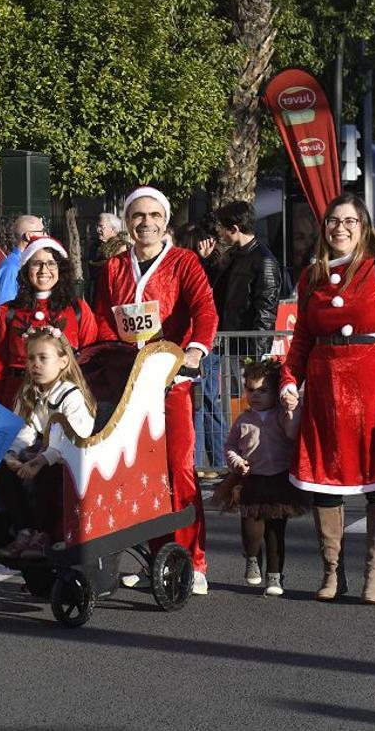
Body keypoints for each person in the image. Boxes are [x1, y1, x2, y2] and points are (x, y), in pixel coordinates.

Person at [280, 194, 375, 605]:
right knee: (325, 483)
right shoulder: (311, 276)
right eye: (333, 221)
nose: (339, 228)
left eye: (349, 221)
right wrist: (289, 380)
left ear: (363, 227)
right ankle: (332, 572)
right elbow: (302, 338)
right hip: (326, 394)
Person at [94, 186, 217, 595]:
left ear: (165, 221)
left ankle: (193, 561)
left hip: (170, 383)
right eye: (137, 215)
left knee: (179, 469)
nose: (146, 223)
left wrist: (195, 350)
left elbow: (205, 310)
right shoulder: (113, 267)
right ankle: (158, 560)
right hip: (128, 385)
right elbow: (102, 320)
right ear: (127, 221)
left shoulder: (184, 262)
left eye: (154, 216)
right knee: (142, 473)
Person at [0, 326, 96, 558]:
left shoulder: (71, 395)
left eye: (43, 358)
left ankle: (44, 534)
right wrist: (12, 454)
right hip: (43, 453)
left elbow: (73, 439)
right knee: (0, 467)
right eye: (31, 358)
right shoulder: (29, 393)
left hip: (71, 461)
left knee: (47, 475)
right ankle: (20, 530)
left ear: (63, 362)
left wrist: (41, 461)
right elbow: (25, 431)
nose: (35, 364)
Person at [219, 359, 305, 597]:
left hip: (279, 480)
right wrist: (237, 462)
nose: (255, 395)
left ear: (276, 392)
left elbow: (292, 433)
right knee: (251, 526)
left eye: (263, 390)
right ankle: (252, 556)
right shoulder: (243, 419)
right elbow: (230, 446)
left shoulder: (281, 415)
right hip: (252, 479)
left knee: (275, 532)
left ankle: (275, 576)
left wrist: (291, 408)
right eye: (250, 389)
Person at [0, 235, 98, 410]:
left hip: (64, 402)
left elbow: (91, 361)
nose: (44, 270)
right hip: (17, 402)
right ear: (26, 268)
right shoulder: (7, 312)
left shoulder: (78, 309)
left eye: (51, 263)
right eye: (37, 263)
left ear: (61, 268)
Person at [173, 218, 228, 481]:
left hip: (200, 346)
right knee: (204, 403)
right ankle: (206, 461)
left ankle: (211, 461)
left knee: (202, 404)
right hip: (201, 345)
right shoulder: (207, 265)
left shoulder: (203, 268)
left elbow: (204, 301)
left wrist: (203, 263)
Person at [212, 200, 282, 358]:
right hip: (229, 345)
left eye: (222, 227)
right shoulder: (233, 255)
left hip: (246, 350)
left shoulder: (264, 260)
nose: (220, 232)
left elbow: (266, 313)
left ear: (234, 229)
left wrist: (257, 357)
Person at [0, 215, 45, 316]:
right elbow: (5, 311)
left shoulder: (23, 264)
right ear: (29, 236)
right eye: (42, 232)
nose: (46, 236)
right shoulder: (12, 268)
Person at [86, 213, 130, 300]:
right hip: (95, 290)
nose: (98, 230)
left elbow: (118, 270)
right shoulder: (95, 246)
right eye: (97, 226)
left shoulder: (122, 246)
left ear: (113, 229)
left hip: (112, 292)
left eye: (101, 227)